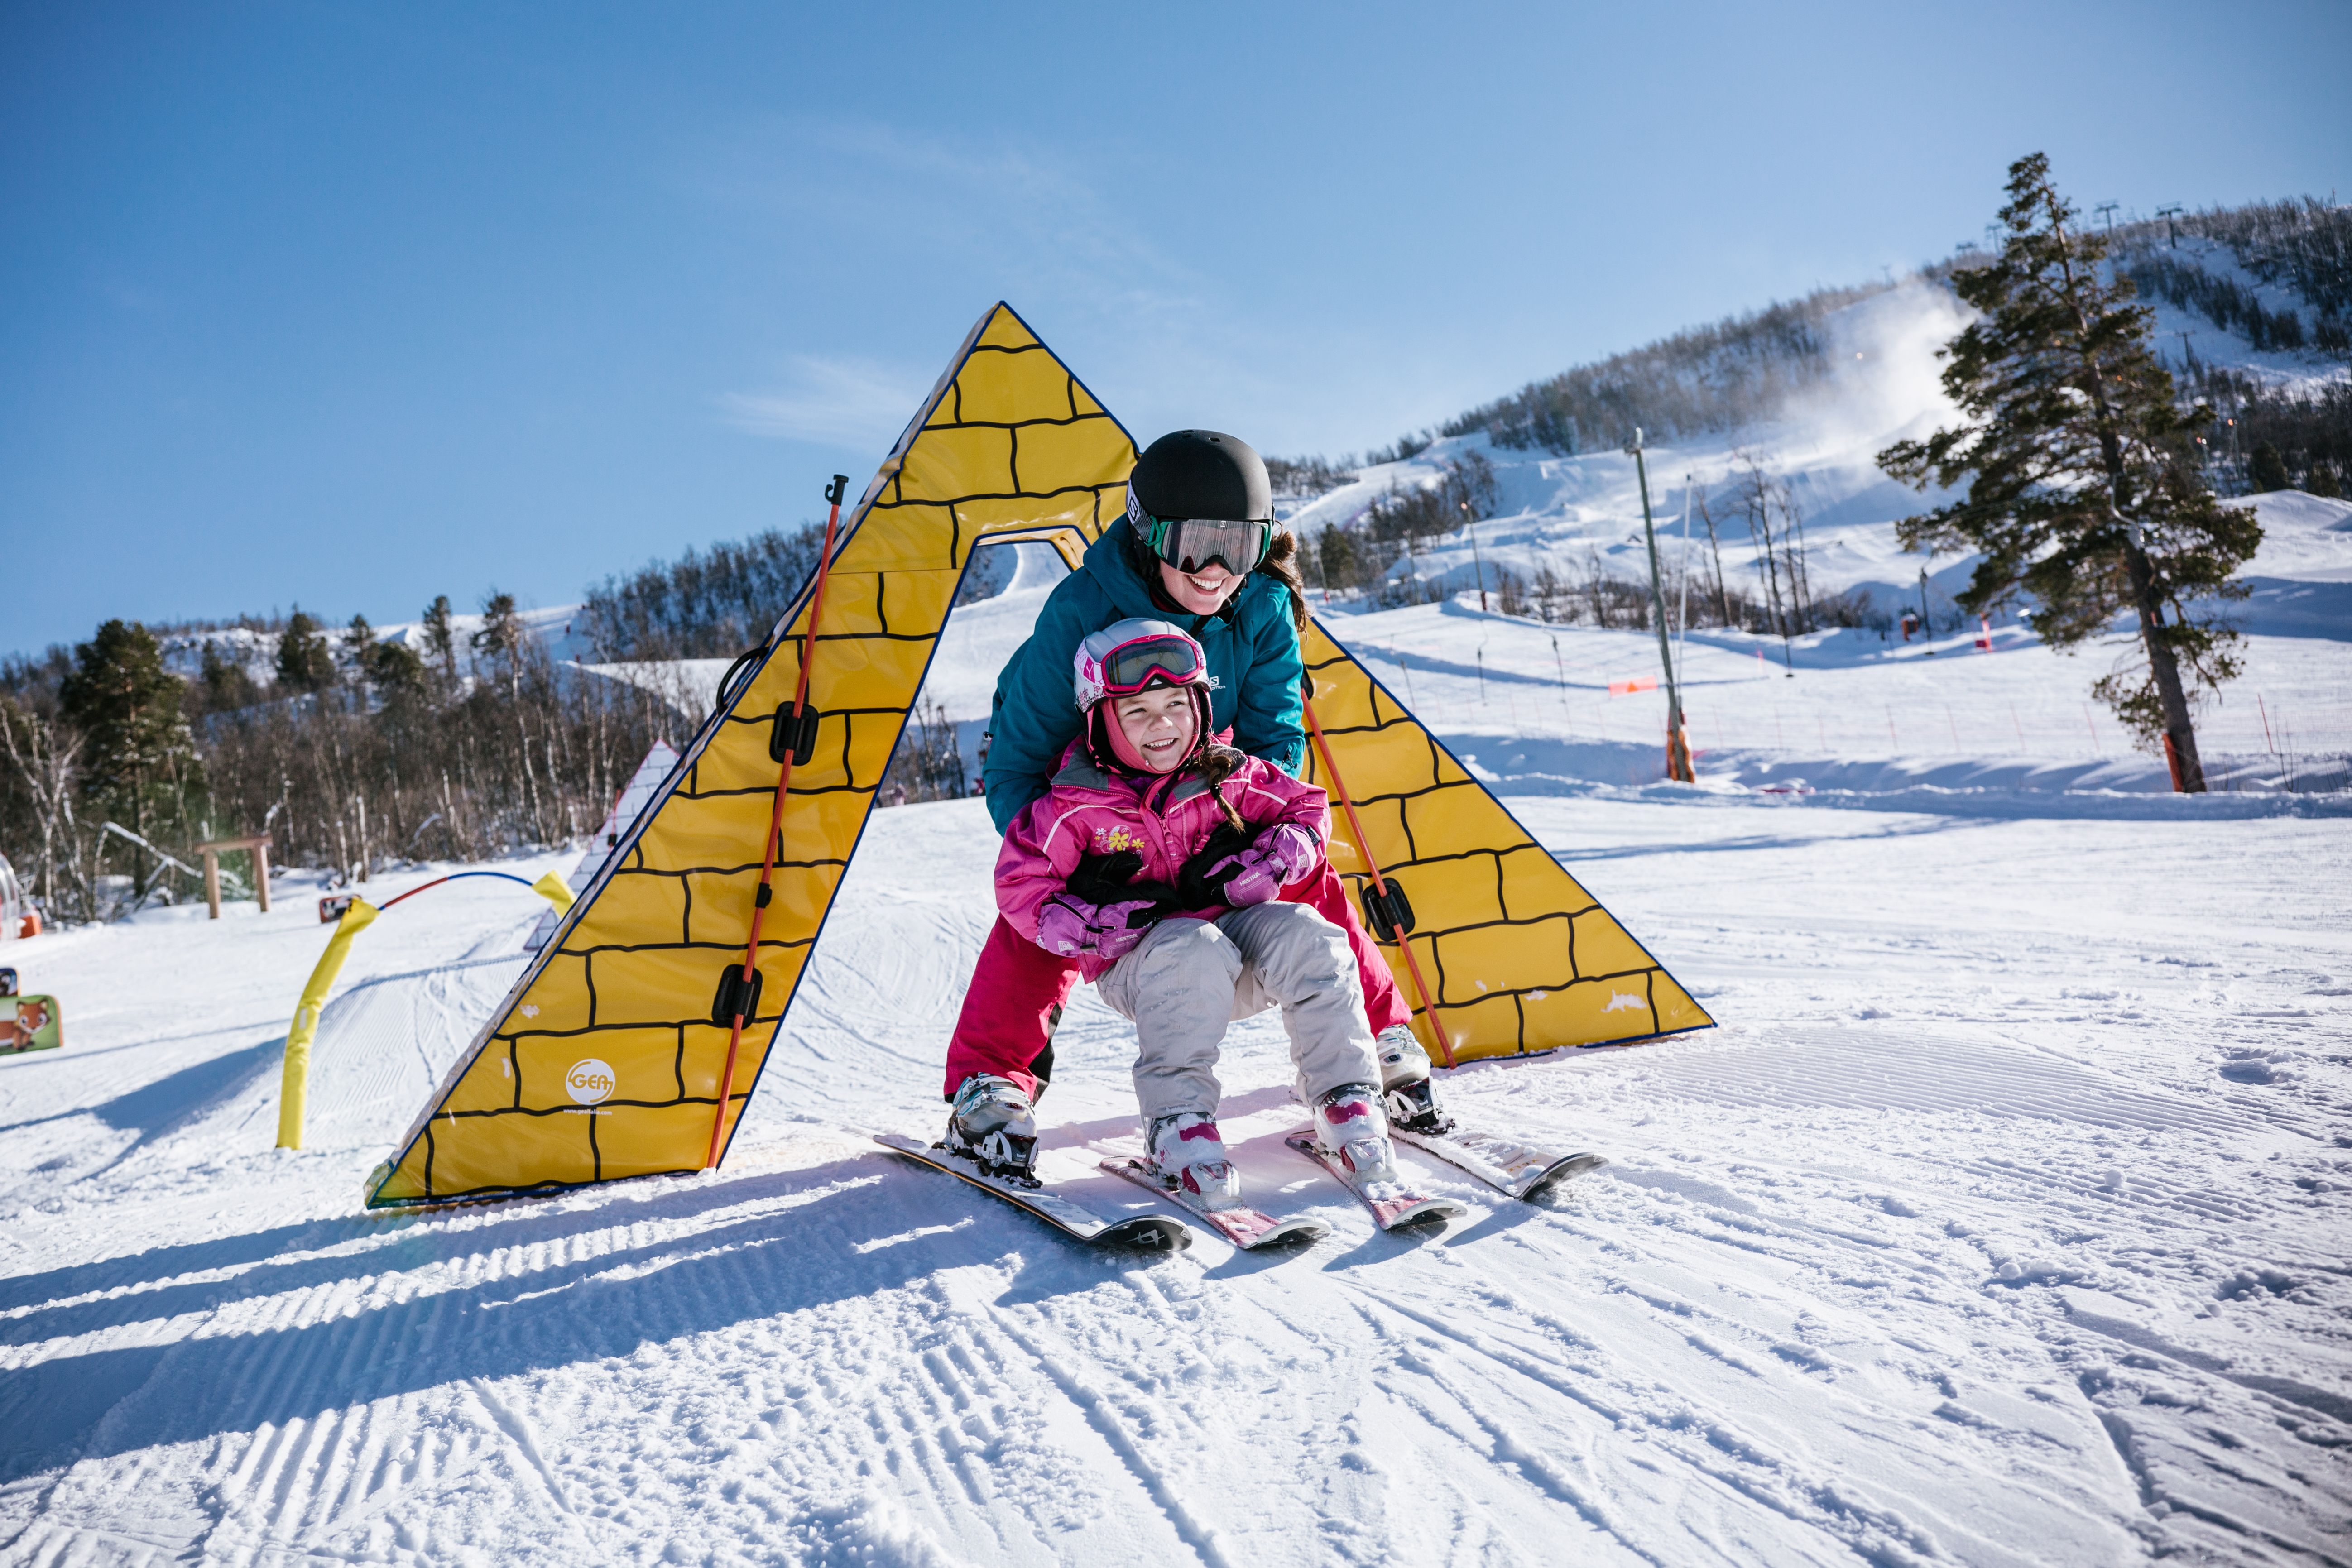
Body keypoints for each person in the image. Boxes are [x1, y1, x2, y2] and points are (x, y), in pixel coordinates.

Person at [941, 430, 1445, 1180]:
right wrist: (1064, 858)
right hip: (1095, 795)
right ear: (1149, 537)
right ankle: (988, 1082)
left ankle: (1378, 1040)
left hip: (1207, 784)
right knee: (1037, 912)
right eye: (1192, 547)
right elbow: (1018, 766)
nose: (1214, 572)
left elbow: (1277, 736)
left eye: (1235, 548)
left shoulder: (1263, 605)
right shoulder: (1080, 607)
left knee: (1307, 878)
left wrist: (1250, 828)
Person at [989, 619, 1404, 1205]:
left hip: (1237, 953)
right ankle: (1178, 1124)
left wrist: (1269, 863)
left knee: (1310, 935)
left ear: (1200, 707)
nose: (1161, 723)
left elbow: (1305, 811)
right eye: (1136, 712)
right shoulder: (1073, 808)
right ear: (1100, 720)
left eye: (1175, 705)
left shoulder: (1227, 775)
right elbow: (1022, 887)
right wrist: (1095, 925)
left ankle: (1345, 1096)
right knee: (1190, 947)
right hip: (1144, 969)